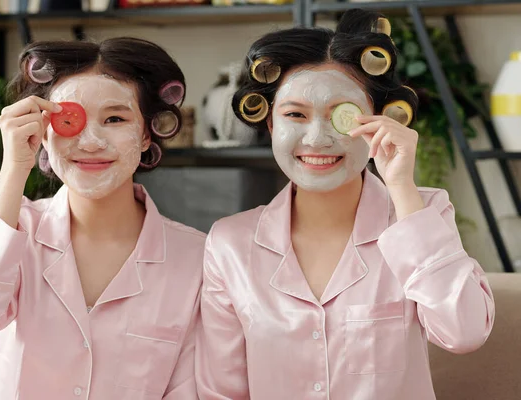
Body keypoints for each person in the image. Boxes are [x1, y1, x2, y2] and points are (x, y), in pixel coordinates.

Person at [196, 9, 495, 400]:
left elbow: (464, 331)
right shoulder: (230, 243)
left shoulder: (422, 213)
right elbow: (221, 391)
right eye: (295, 115)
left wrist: (401, 185)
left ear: (379, 119)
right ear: (270, 124)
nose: (317, 139)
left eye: (342, 116)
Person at [0, 37, 203, 400]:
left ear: (146, 134)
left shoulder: (197, 258)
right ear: (44, 134)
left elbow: (189, 389)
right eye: (69, 120)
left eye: (115, 118)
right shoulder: (17, 229)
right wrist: (14, 169)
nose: (91, 142)